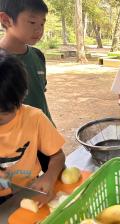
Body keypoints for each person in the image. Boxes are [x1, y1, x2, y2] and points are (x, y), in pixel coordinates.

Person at [0, 50, 65, 205]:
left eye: (2, 114)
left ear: (22, 97)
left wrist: (49, 176)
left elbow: (58, 156)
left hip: (28, 189)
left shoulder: (34, 118)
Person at [0, 0, 52, 172]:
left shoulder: (38, 56)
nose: (39, 30)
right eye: (31, 22)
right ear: (6, 20)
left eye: (42, 23)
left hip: (43, 134)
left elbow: (39, 92)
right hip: (13, 144)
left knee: (56, 182)